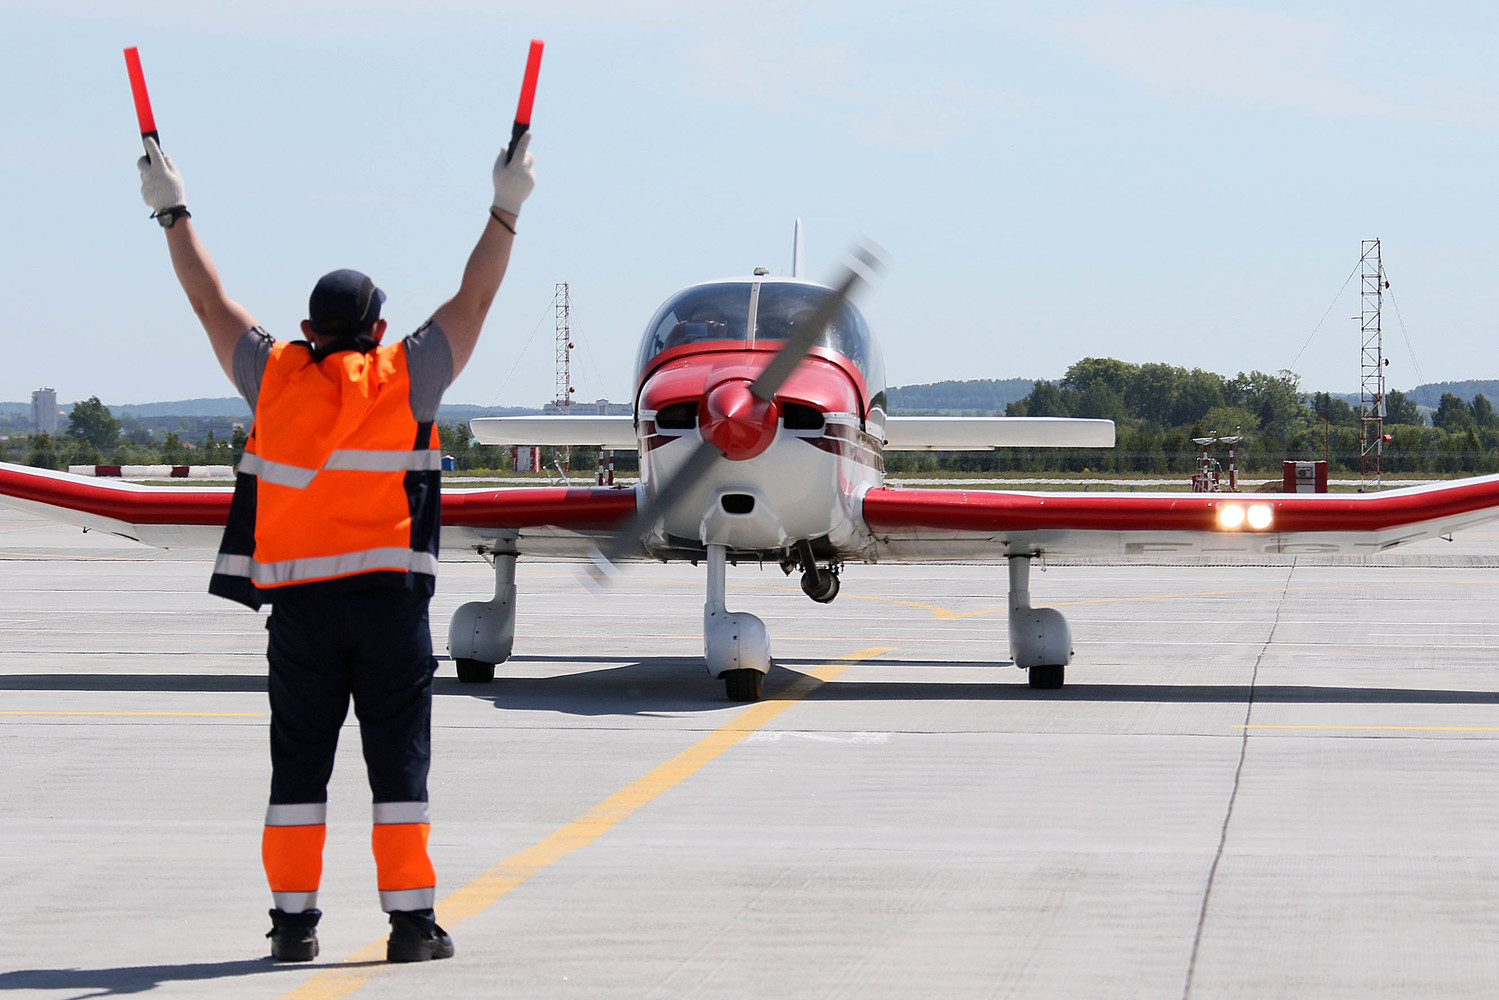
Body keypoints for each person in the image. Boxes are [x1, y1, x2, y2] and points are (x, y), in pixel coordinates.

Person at [137, 126, 535, 963]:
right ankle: (411, 926)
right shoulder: (409, 375)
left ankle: (291, 927)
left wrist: (172, 211)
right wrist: (505, 206)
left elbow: (209, 302)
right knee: (399, 778)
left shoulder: (271, 375)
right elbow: (474, 299)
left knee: (297, 779)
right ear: (379, 326)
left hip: (302, 620)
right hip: (391, 614)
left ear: (309, 328)